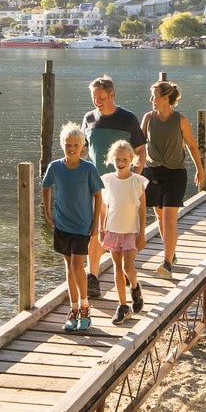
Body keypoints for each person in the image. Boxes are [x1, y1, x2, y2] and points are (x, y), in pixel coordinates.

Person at [80, 75, 144, 300]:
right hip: (95, 185)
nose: (96, 100)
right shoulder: (88, 119)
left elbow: (140, 151)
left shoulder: (128, 119)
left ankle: (128, 274)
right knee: (96, 231)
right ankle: (93, 277)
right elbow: (84, 149)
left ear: (112, 95)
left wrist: (134, 180)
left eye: (100, 97)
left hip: (122, 187)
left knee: (123, 231)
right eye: (93, 97)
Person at [41, 122, 104, 333]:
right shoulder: (55, 167)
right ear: (62, 145)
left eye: (75, 145)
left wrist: (96, 223)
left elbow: (98, 196)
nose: (71, 148)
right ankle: (73, 308)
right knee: (69, 268)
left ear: (82, 146)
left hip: (82, 226)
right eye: (68, 144)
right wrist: (48, 213)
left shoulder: (89, 169)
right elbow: (46, 187)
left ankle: (85, 308)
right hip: (62, 224)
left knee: (78, 265)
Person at [141, 80, 205, 275]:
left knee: (169, 216)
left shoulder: (180, 120)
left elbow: (192, 146)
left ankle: (167, 262)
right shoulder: (148, 118)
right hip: (152, 173)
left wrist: (199, 169)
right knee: (159, 216)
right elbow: (139, 145)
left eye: (154, 96)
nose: (151, 99)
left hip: (175, 173)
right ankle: (171, 251)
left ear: (166, 98)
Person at [98, 139, 148, 325]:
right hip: (112, 229)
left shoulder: (137, 182)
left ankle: (135, 287)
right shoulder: (108, 180)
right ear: (112, 159)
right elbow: (104, 207)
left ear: (131, 159)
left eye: (124, 159)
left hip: (131, 232)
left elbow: (142, 210)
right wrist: (101, 229)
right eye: (117, 159)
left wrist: (142, 234)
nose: (120, 162)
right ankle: (123, 306)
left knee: (128, 268)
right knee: (117, 269)